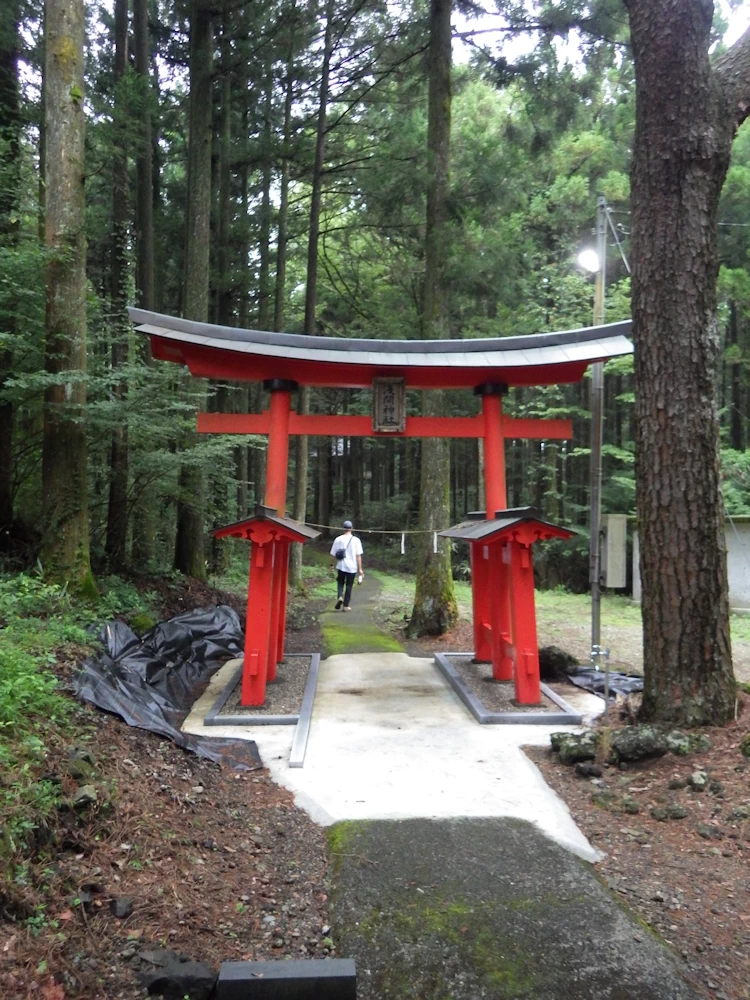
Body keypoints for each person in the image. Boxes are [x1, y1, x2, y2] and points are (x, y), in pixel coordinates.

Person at [329, 519, 364, 611]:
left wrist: (331, 564)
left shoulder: (338, 539)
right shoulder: (356, 540)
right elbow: (358, 556)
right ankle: (346, 606)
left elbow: (333, 554)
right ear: (351, 528)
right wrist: (360, 569)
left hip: (341, 566)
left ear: (343, 529)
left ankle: (340, 596)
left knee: (340, 582)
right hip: (352, 567)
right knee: (349, 586)